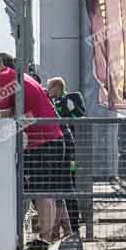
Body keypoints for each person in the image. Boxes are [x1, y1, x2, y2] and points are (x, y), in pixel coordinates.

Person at [0, 48, 71, 250]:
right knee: (49, 192)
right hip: (55, 138)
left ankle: (44, 240)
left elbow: (5, 117)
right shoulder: (20, 75)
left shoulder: (1, 78)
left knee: (41, 193)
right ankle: (50, 238)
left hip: (40, 142)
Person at [47, 76, 85, 233]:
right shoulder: (53, 102)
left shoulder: (71, 98)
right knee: (63, 185)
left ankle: (73, 223)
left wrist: (69, 107)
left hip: (71, 150)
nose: (49, 91)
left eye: (50, 88)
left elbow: (78, 115)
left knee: (71, 182)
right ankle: (63, 225)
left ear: (57, 87)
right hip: (60, 149)